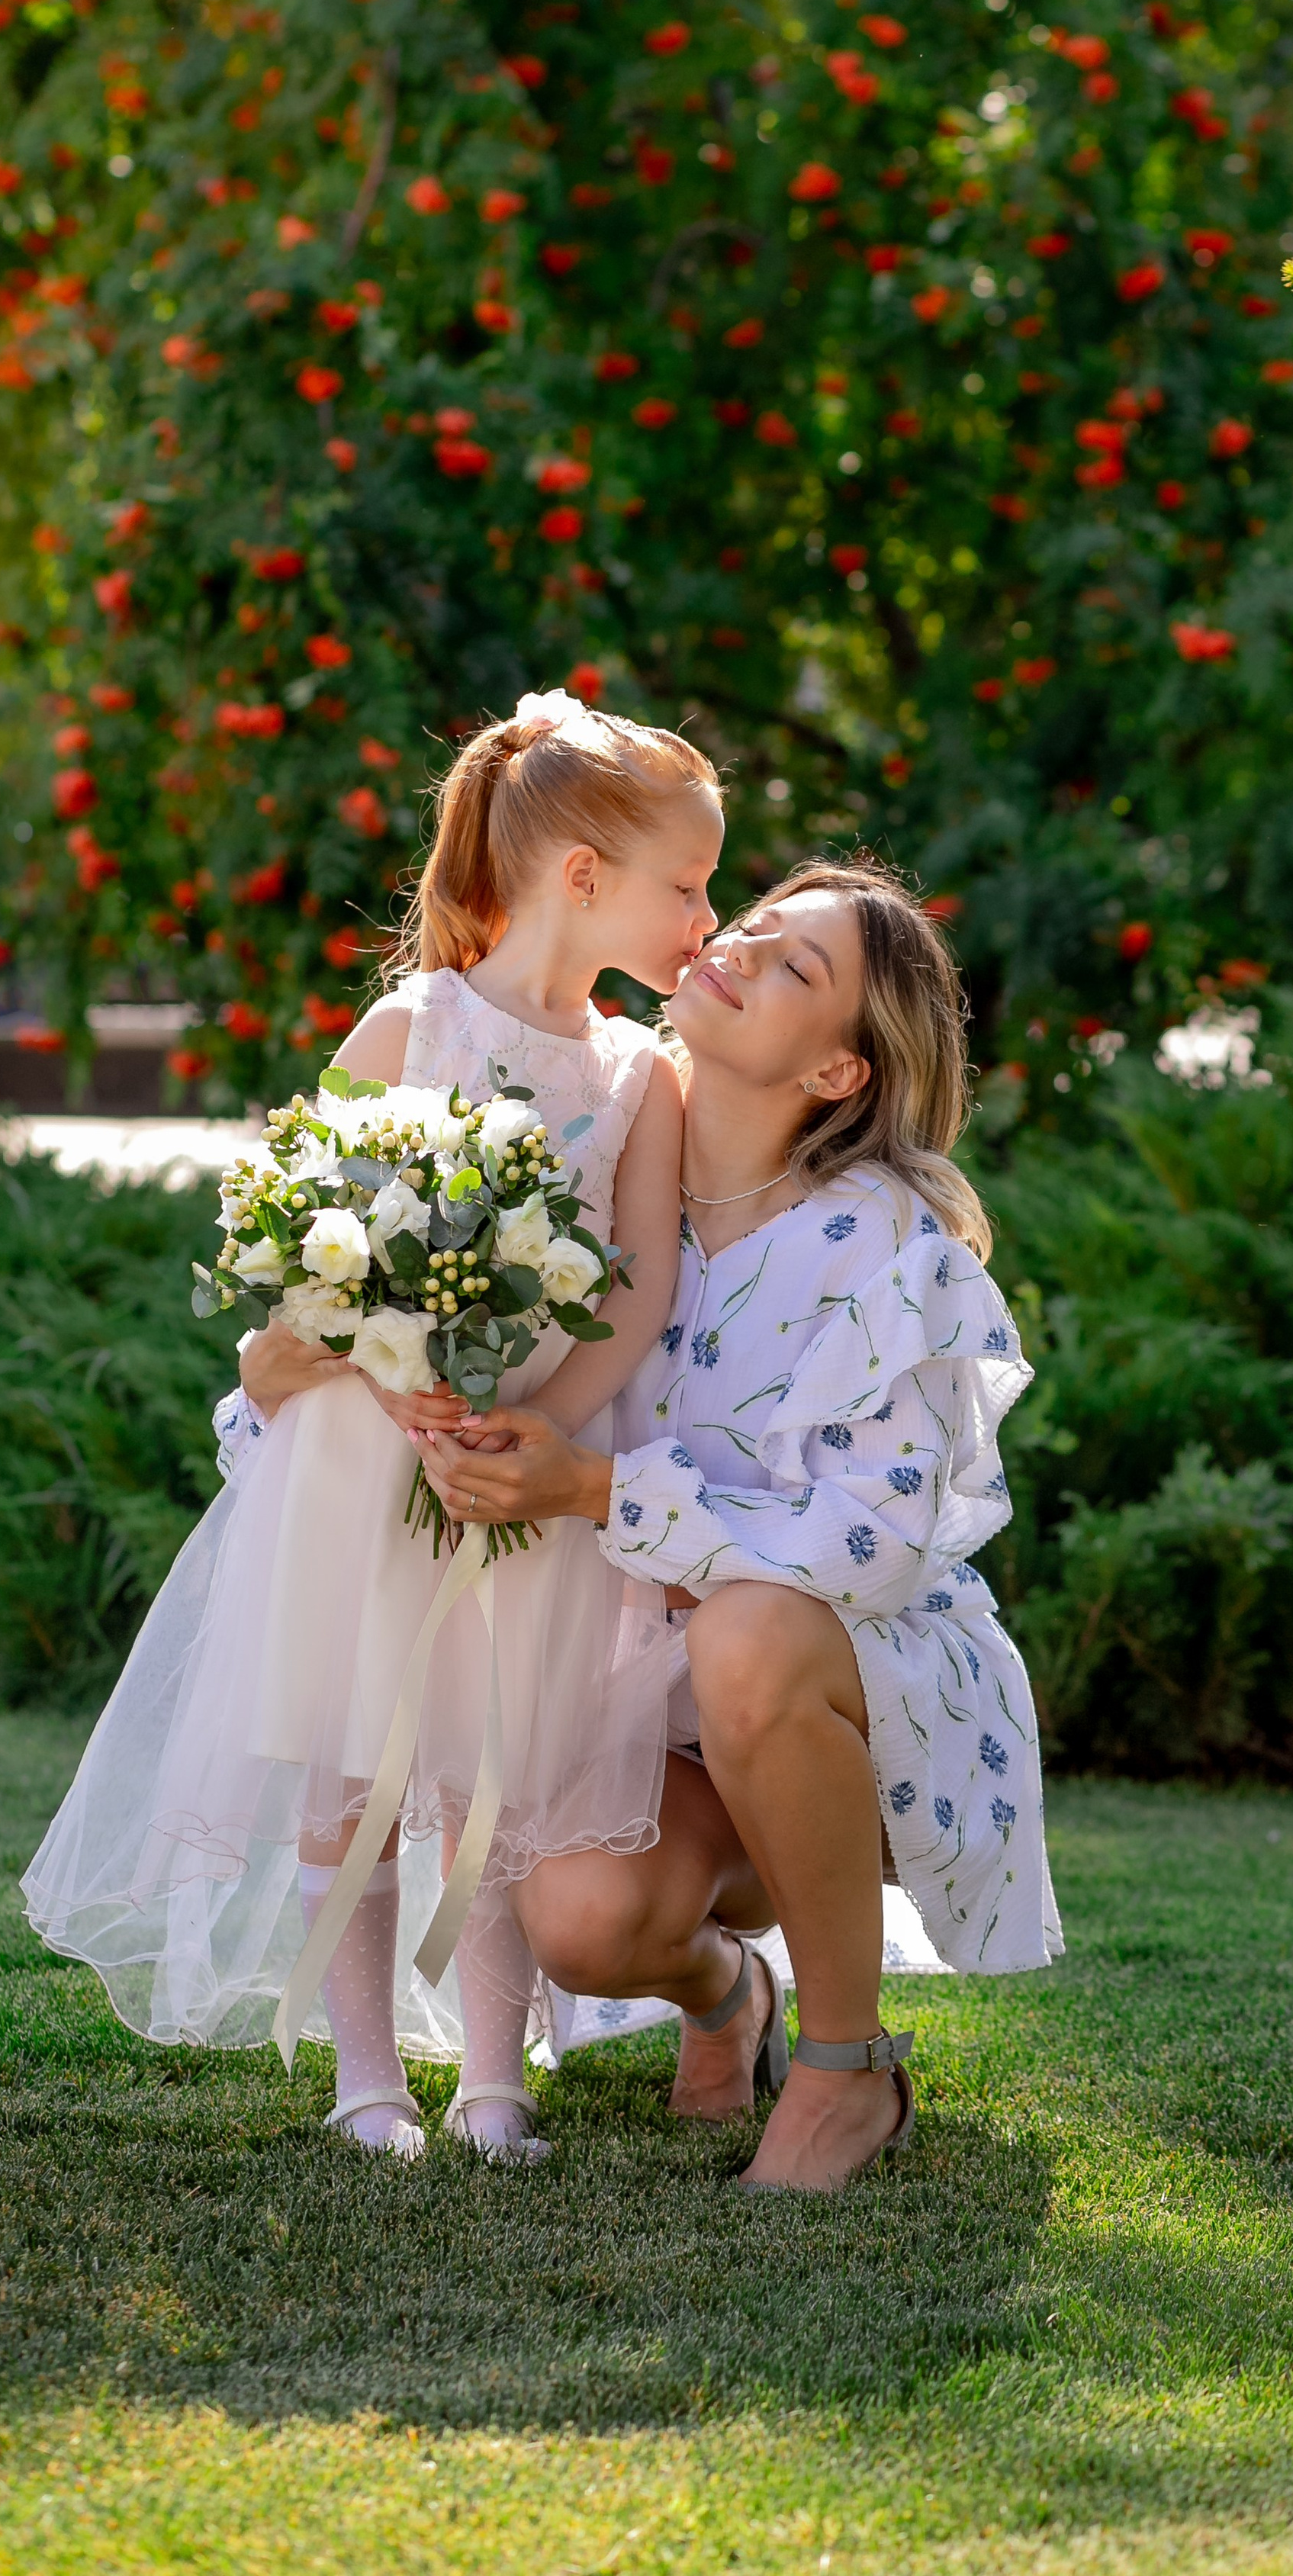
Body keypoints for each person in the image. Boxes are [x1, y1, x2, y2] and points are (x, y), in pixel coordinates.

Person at [24, 691, 722, 2163]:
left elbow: (642, 1288)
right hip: (366, 1452)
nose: (706, 918)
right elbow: (307, 1252)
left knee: (497, 1772)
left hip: (516, 1469)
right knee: (356, 1767)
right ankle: (363, 2079)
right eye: (689, 883)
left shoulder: (638, 1075)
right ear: (583, 876)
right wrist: (388, 1357)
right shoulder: (417, 1026)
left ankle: (492, 2079)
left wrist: (537, 1428)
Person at [412, 859, 1062, 2192]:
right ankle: (731, 2000)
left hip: (857, 1695)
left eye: (795, 967)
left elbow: (870, 1550)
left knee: (754, 1632)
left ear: (837, 1072)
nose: (740, 948)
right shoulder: (581, 1161)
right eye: (753, 925)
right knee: (584, 1923)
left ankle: (845, 2070)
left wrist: (595, 1493)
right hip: (662, 1702)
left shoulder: (886, 1247)